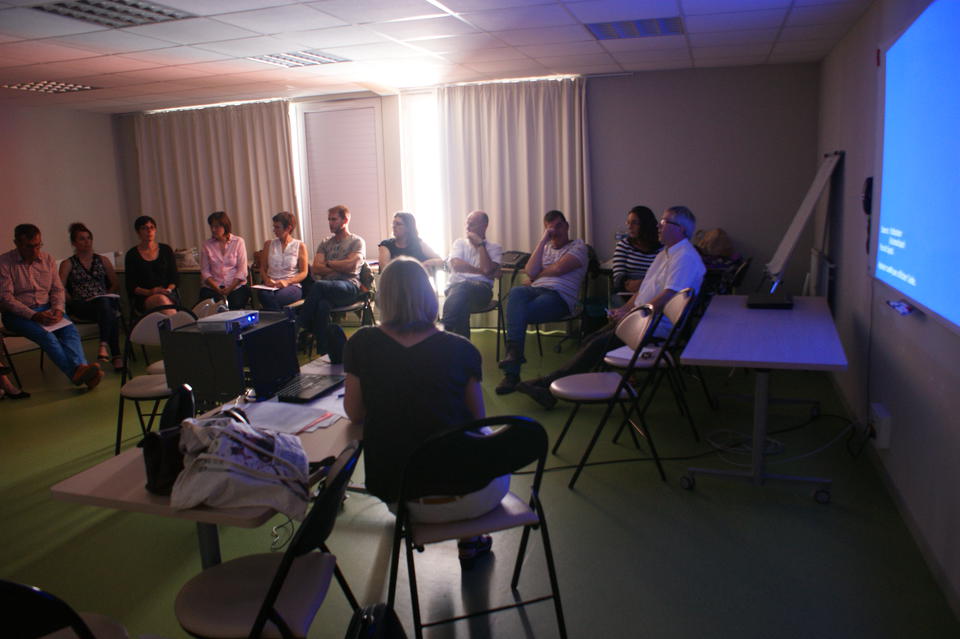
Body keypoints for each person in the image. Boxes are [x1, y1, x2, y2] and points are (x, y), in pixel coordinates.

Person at [343, 257, 505, 563]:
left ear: (383, 297)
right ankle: (470, 538)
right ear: (429, 294)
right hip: (472, 493)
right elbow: (478, 420)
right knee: (473, 441)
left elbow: (354, 413)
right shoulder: (462, 349)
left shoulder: (362, 343)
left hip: (401, 495)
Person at [516, 206, 706, 409]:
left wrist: (632, 315)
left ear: (682, 229)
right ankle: (555, 388)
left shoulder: (685, 257)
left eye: (665, 222)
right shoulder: (666, 253)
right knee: (590, 339)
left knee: (596, 345)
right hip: (642, 319)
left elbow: (667, 298)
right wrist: (625, 310)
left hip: (653, 326)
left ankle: (546, 384)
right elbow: (643, 292)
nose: (659, 226)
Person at [496, 210, 588, 395]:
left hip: (558, 297)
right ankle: (513, 357)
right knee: (516, 291)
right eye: (550, 228)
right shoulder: (545, 248)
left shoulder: (579, 246)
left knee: (517, 314)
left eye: (559, 225)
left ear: (567, 226)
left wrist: (538, 275)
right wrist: (543, 239)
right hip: (535, 291)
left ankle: (512, 374)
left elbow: (560, 269)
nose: (556, 231)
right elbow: (529, 271)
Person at [0, 224, 103, 390]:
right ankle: (76, 373)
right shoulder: (4, 263)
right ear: (17, 243)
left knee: (70, 330)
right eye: (29, 246)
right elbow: (6, 299)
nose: (35, 250)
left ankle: (82, 369)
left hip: (47, 308)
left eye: (38, 245)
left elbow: (57, 289)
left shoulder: (47, 259)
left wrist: (58, 310)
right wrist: (33, 315)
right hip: (18, 315)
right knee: (47, 336)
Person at [297, 205, 366, 354]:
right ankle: (324, 351)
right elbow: (316, 268)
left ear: (345, 220)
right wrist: (340, 265)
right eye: (329, 219)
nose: (330, 223)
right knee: (322, 305)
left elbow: (351, 266)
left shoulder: (356, 241)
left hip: (349, 287)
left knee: (319, 285)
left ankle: (300, 325)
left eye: (334, 219)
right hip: (328, 290)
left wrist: (328, 264)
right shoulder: (325, 243)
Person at [58, 222, 123, 371]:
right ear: (74, 243)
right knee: (109, 311)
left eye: (88, 238)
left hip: (102, 302)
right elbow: (59, 287)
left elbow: (115, 283)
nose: (87, 242)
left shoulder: (102, 260)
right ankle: (116, 356)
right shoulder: (68, 263)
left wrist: (107, 294)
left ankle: (103, 346)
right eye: (82, 239)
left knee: (106, 305)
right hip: (82, 305)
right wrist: (70, 300)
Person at [441, 210, 502, 339]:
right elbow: (457, 264)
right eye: (467, 224)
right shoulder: (459, 243)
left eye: (472, 224)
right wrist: (483, 272)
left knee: (461, 289)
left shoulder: (494, 248)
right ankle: (463, 352)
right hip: (456, 290)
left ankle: (444, 327)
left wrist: (480, 245)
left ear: (484, 226)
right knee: (461, 305)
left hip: (481, 291)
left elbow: (486, 268)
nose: (468, 227)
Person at [125, 215, 179, 314]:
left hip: (167, 293)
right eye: (144, 228)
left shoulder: (166, 250)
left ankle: (172, 326)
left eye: (152, 227)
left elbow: (174, 278)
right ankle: (177, 326)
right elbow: (131, 285)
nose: (149, 231)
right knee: (160, 300)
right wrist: (150, 292)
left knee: (163, 300)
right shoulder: (132, 254)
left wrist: (168, 289)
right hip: (145, 296)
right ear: (138, 232)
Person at [197, 211, 250, 310]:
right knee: (211, 308)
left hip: (235, 286)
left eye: (216, 227)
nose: (213, 230)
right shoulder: (206, 245)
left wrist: (229, 289)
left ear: (225, 226)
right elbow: (205, 271)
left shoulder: (238, 242)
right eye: (211, 227)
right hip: (213, 287)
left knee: (236, 305)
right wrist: (217, 288)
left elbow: (242, 270)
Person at [257, 211, 308, 311]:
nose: (274, 230)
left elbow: (304, 272)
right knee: (263, 294)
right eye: (274, 227)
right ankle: (285, 323)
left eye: (277, 227)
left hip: (292, 286)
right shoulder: (268, 244)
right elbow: (262, 268)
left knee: (274, 299)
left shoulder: (300, 245)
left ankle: (276, 323)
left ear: (288, 228)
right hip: (270, 286)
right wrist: (267, 279)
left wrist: (287, 281)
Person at [612, 205, 662, 295]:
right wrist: (627, 283)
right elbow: (618, 276)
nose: (630, 227)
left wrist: (644, 284)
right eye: (628, 223)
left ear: (646, 224)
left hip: (654, 293)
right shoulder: (624, 245)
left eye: (634, 223)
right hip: (627, 292)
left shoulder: (661, 248)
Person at [377, 211, 444, 271]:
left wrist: (425, 264)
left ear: (408, 227)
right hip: (395, 283)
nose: (394, 226)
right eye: (393, 223)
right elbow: (385, 270)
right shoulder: (386, 245)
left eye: (398, 224)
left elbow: (441, 261)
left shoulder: (419, 244)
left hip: (416, 282)